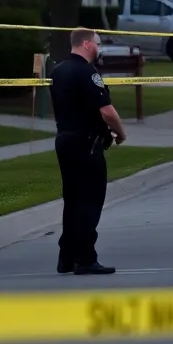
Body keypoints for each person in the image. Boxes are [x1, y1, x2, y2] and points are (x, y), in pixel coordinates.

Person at [49, 27, 126, 276]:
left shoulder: (58, 71)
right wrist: (120, 133)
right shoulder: (88, 73)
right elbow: (107, 111)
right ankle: (85, 257)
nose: (99, 47)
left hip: (64, 140)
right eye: (98, 43)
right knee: (90, 201)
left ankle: (66, 257)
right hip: (87, 143)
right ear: (86, 44)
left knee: (71, 201)